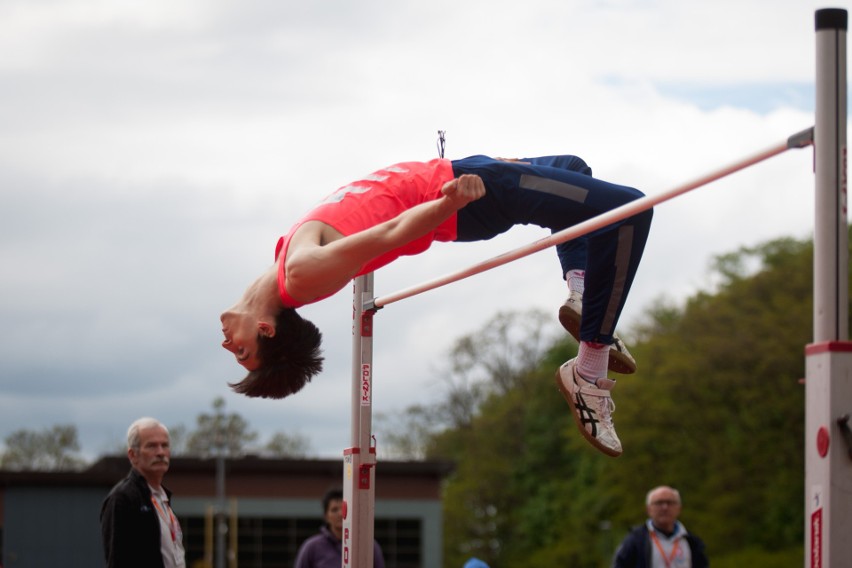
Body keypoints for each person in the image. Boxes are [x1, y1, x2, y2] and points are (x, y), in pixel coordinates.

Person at [220, 154, 653, 456]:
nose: (227, 345)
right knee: (630, 208)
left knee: (570, 168)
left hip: (458, 170)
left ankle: (582, 295)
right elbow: (390, 233)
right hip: (471, 194)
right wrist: (450, 201)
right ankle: (589, 372)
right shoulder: (300, 274)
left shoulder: (283, 262)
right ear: (267, 329)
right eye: (242, 352)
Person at [100, 417, 186, 568]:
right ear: (133, 455)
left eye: (164, 445)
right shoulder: (123, 498)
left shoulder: (162, 498)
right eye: (152, 446)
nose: (160, 452)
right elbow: (118, 561)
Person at [612, 486, 708, 568]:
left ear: (679, 508)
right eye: (659, 503)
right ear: (649, 509)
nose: (665, 507)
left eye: (670, 502)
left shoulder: (691, 542)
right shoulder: (636, 541)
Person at [293, 487, 385, 568]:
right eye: (334, 510)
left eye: (344, 509)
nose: (341, 514)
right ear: (326, 516)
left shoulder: (369, 546)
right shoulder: (311, 547)